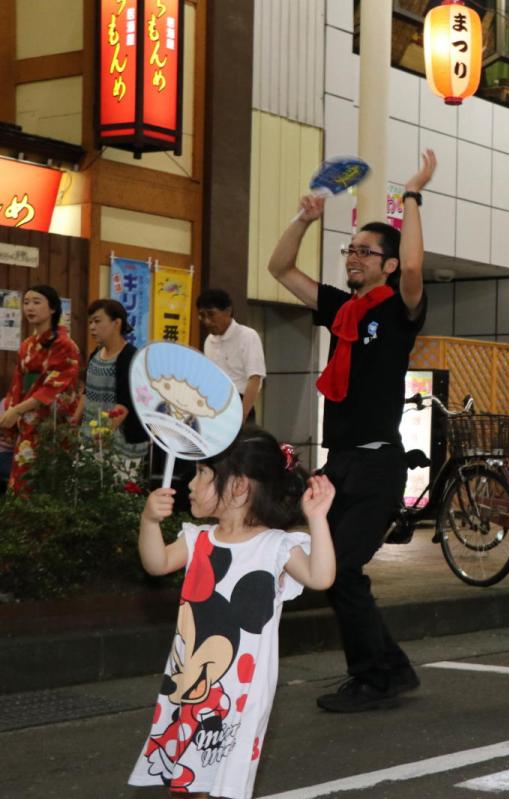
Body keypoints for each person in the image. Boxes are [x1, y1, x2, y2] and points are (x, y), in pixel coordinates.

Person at [267, 149, 436, 713]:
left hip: (378, 463)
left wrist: (410, 196)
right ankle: (389, 670)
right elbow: (281, 269)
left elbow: (414, 268)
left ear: (386, 265)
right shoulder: (342, 311)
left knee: (340, 572)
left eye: (367, 252)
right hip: (340, 464)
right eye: (351, 249)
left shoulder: (398, 309)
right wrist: (304, 218)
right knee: (334, 571)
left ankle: (375, 677)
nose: (355, 257)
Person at [128, 428, 336, 797]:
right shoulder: (198, 539)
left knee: (227, 781)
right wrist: (149, 523)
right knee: (185, 779)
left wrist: (318, 518)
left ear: (239, 487)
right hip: (189, 679)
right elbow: (156, 562)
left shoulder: (275, 546)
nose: (191, 484)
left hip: (242, 691)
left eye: (203, 474)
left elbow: (321, 577)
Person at [1, 285, 81, 492]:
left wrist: (17, 409)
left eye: (37, 302)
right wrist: (11, 411)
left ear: (53, 308)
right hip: (26, 421)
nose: (30, 307)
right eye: (26, 302)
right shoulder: (27, 344)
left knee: (48, 482)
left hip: (51, 423)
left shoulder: (66, 345)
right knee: (22, 479)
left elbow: (53, 387)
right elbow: (17, 384)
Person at [73, 299, 150, 475]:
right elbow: (87, 392)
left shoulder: (130, 357)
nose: (92, 327)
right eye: (90, 322)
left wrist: (103, 434)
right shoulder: (96, 354)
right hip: (92, 437)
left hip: (120, 443)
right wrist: (75, 419)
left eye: (97, 321)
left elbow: (124, 405)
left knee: (116, 494)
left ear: (117, 323)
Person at [197, 288, 267, 425]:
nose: (206, 321)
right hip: (214, 408)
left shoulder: (247, 336)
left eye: (211, 314)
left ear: (228, 311)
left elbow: (255, 379)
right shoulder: (209, 341)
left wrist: (242, 417)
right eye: (202, 315)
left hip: (240, 405)